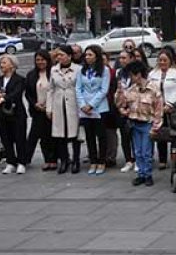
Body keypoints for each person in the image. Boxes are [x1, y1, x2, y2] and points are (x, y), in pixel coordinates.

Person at [116, 60, 164, 186]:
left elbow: (159, 109)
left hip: (147, 123)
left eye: (132, 75)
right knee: (137, 151)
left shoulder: (153, 89)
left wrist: (156, 126)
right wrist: (120, 91)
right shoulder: (132, 89)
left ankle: (148, 174)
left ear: (138, 75)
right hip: (134, 123)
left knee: (146, 151)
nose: (131, 78)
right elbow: (121, 103)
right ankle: (141, 174)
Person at [76, 45, 111, 175]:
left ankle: (102, 161)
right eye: (86, 55)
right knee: (89, 137)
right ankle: (93, 161)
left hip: (99, 107)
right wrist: (83, 105)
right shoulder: (81, 70)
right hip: (84, 108)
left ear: (96, 56)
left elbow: (103, 90)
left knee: (101, 136)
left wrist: (91, 105)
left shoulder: (105, 70)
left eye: (90, 55)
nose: (87, 57)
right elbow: (78, 88)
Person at [48, 45, 81, 174]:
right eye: (57, 55)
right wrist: (49, 108)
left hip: (73, 104)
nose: (59, 57)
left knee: (75, 135)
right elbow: (50, 89)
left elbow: (80, 88)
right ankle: (64, 160)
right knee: (60, 135)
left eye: (62, 55)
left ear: (69, 56)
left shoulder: (78, 69)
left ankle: (76, 160)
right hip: (58, 105)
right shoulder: (53, 70)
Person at [0, 55, 27, 175]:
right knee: (6, 139)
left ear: (12, 65)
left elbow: (16, 94)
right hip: (1, 114)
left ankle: (22, 162)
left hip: (17, 113)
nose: (2, 65)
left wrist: (2, 98)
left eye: (4, 63)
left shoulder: (20, 79)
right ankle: (10, 162)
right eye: (1, 63)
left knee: (19, 138)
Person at [149, 48, 176, 170]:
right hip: (157, 108)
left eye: (165, 60)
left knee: (174, 133)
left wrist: (169, 104)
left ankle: (175, 157)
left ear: (170, 61)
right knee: (160, 133)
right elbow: (150, 90)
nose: (162, 62)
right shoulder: (152, 74)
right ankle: (162, 160)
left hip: (171, 108)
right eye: (160, 60)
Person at [25, 51, 53, 171]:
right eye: (38, 60)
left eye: (43, 59)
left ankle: (51, 160)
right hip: (37, 110)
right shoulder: (31, 75)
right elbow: (28, 93)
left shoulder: (53, 73)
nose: (40, 62)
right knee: (35, 135)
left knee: (49, 136)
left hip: (51, 109)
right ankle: (25, 158)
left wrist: (49, 105)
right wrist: (35, 104)